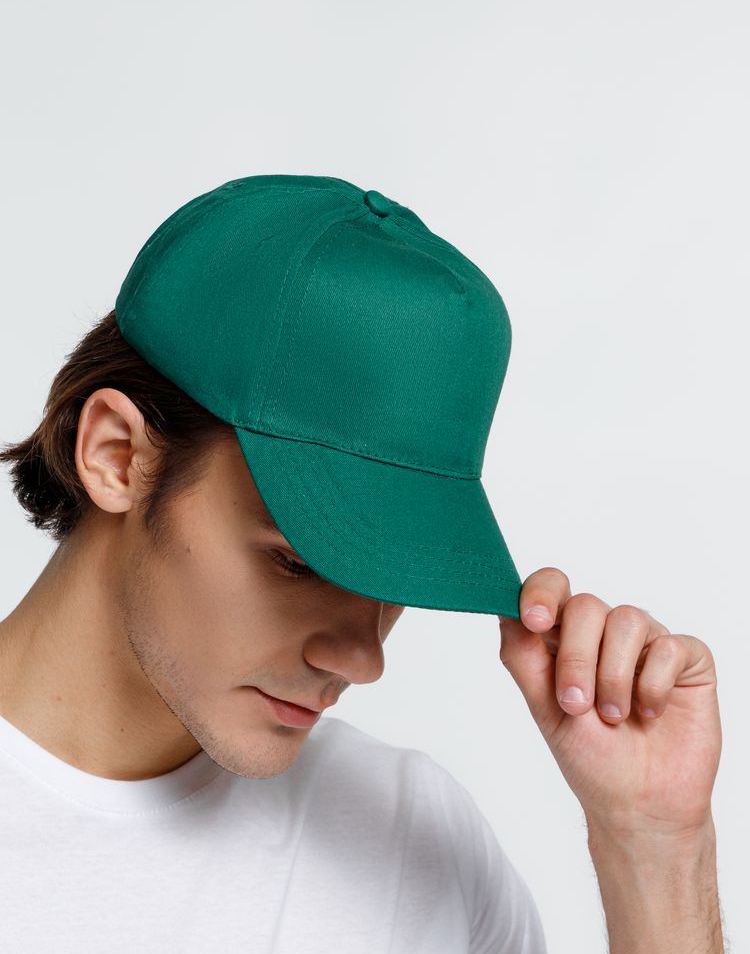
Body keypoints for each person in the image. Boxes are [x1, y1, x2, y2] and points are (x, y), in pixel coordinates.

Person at [0, 175, 725, 952]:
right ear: (117, 456)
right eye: (297, 563)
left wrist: (655, 848)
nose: (362, 659)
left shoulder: (414, 841)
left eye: (394, 579)